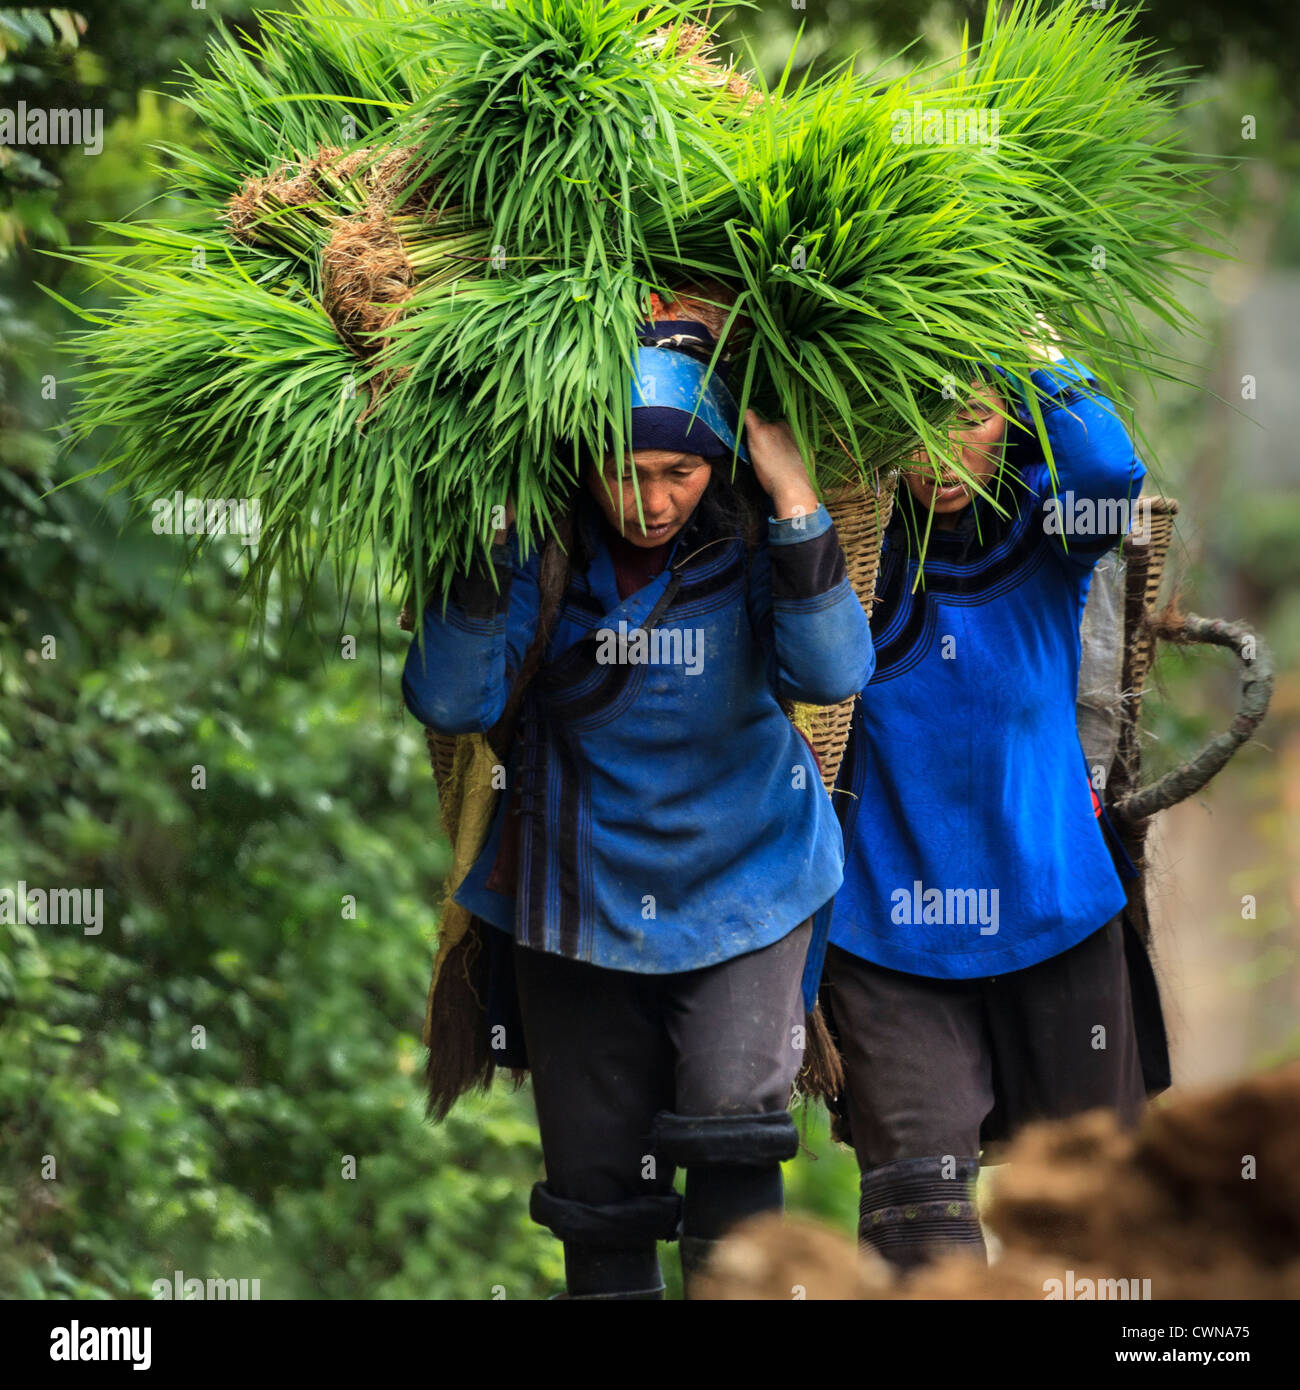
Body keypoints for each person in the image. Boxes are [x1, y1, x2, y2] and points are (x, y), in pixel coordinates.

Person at [402, 317, 873, 1298]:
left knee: (733, 1124)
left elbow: (832, 670)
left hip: (749, 879)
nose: (651, 500)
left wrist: (790, 493)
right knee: (598, 1191)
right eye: (623, 468)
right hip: (575, 896)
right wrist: (481, 535)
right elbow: (453, 699)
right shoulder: (539, 546)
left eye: (679, 471)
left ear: (717, 462)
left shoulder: (745, 538)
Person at [823, 345, 1169, 1272]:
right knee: (919, 1226)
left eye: (969, 420)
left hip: (1055, 906)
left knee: (1095, 1216)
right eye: (912, 422)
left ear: (1009, 423)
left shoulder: (1048, 537)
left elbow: (1106, 466)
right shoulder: (852, 560)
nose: (940, 455)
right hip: (889, 934)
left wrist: (1036, 353)